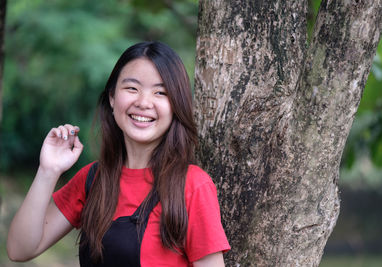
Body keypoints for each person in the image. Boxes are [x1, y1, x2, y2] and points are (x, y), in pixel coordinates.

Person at [7, 41, 230, 266]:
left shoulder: (193, 186)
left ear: (176, 105)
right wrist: (48, 170)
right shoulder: (93, 179)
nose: (143, 102)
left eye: (160, 92)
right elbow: (20, 249)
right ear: (112, 97)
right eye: (132, 88)